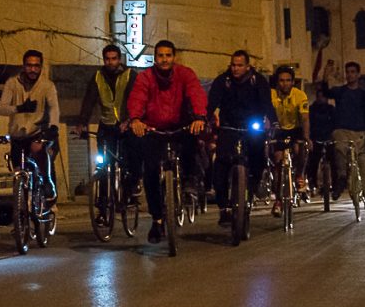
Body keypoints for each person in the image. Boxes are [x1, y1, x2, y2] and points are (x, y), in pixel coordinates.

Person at [127, 40, 207, 243]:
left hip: (179, 126)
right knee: (151, 171)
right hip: (153, 129)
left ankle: (189, 180)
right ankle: (157, 220)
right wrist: (136, 119)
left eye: (168, 55)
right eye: (160, 56)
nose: (164, 59)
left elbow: (196, 93)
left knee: (191, 141)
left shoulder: (185, 74)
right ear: (155, 58)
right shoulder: (145, 77)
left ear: (174, 57)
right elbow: (137, 97)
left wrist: (199, 116)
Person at [207, 50, 277, 225]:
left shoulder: (258, 81)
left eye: (240, 65)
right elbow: (211, 103)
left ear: (247, 66)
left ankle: (251, 190)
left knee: (258, 159)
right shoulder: (223, 81)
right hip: (228, 127)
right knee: (221, 164)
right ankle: (223, 207)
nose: (236, 69)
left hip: (252, 127)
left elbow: (267, 104)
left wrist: (273, 122)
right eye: (233, 65)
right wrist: (205, 118)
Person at [76, 44, 141, 220]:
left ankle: (132, 188)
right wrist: (82, 122)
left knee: (131, 158)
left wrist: (128, 120)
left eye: (114, 58)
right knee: (104, 165)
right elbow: (89, 100)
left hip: (126, 125)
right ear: (103, 60)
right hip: (106, 126)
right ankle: (102, 208)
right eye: (107, 59)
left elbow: (135, 99)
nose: (110, 62)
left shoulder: (130, 75)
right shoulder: (98, 76)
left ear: (119, 59)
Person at [0, 49, 60, 206]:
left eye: (36, 66)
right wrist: (19, 108)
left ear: (41, 67)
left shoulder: (47, 85)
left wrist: (53, 126)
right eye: (29, 65)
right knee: (18, 174)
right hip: (17, 135)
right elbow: (2, 108)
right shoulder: (12, 83)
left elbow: (54, 108)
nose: (33, 69)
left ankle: (47, 182)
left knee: (39, 150)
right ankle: (21, 216)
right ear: (23, 66)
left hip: (37, 132)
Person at [321, 60, 365, 208]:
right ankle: (341, 178)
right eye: (348, 72)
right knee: (340, 149)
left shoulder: (364, 94)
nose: (350, 75)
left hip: (360, 131)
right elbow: (326, 91)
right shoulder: (340, 91)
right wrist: (326, 74)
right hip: (342, 130)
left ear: (358, 74)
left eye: (353, 72)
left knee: (364, 164)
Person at [269, 65, 311, 217]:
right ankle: (278, 200)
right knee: (278, 161)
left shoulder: (300, 95)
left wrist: (306, 138)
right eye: (281, 80)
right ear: (277, 82)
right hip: (278, 130)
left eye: (288, 80)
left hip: (296, 129)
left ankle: (300, 175)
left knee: (300, 149)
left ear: (293, 82)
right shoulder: (271, 95)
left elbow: (305, 118)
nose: (284, 84)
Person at [306, 86, 337, 192]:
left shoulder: (331, 109)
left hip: (329, 138)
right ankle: (312, 183)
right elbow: (309, 123)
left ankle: (335, 184)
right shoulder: (312, 109)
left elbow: (335, 123)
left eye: (323, 96)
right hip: (316, 138)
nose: (321, 99)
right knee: (313, 162)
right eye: (319, 96)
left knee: (333, 161)